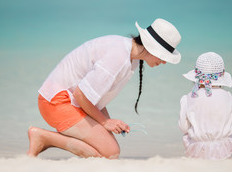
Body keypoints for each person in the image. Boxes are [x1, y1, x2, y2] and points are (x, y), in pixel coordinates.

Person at [27, 18, 182, 159]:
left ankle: (46, 139)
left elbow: (95, 96)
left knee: (109, 149)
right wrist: (105, 122)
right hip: (56, 102)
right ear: (152, 49)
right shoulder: (119, 57)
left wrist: (108, 122)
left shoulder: (129, 55)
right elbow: (81, 95)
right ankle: (43, 138)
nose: (164, 62)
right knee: (110, 153)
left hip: (69, 101)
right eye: (164, 57)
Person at [178, 52, 232, 160]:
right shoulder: (228, 96)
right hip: (223, 147)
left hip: (197, 148)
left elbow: (183, 127)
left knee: (187, 135)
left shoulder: (187, 98)